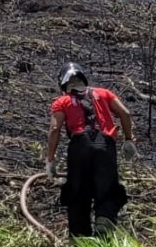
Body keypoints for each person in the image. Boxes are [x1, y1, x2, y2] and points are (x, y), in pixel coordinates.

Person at [45, 63, 137, 237]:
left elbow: (55, 128)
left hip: (79, 147)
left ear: (63, 84)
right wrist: (128, 140)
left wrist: (50, 159)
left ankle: (80, 239)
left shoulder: (61, 102)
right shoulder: (104, 93)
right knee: (108, 188)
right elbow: (125, 113)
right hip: (105, 146)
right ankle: (104, 220)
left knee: (77, 195)